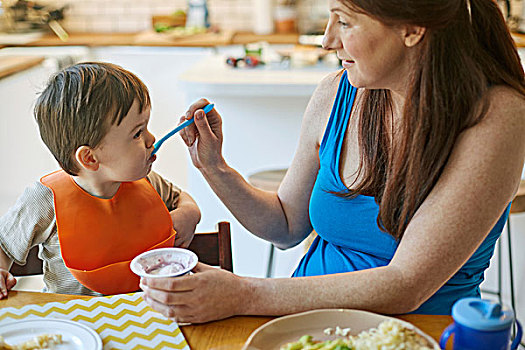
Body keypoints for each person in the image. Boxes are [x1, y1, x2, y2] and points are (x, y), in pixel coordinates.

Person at [141, 0, 525, 323]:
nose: (327, 40)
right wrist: (214, 166)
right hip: (303, 326)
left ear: (412, 28)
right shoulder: (337, 93)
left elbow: (406, 284)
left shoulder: (496, 117)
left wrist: (242, 295)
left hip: (414, 334)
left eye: (344, 21)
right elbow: (286, 225)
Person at [0, 62, 201, 298]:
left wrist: (190, 213)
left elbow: (179, 198)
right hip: (71, 321)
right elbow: (3, 243)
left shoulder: (146, 182)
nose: (151, 138)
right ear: (90, 158)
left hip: (143, 315)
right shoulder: (45, 199)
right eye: (137, 133)